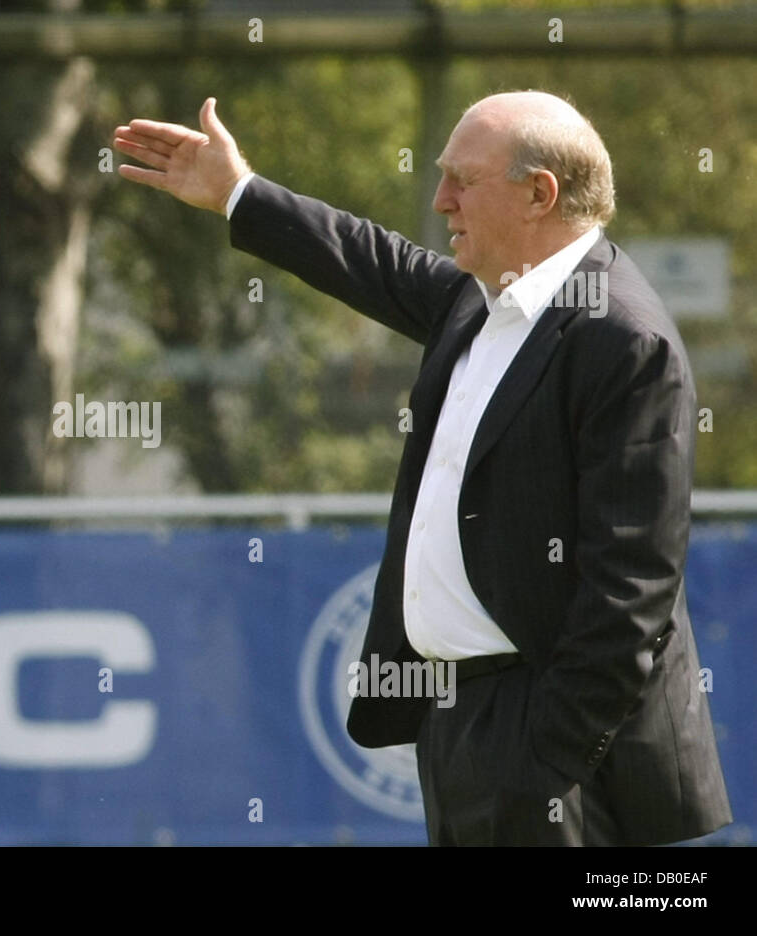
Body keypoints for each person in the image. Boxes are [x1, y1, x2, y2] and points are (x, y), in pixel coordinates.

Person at [114, 92, 731, 845]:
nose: (441, 201)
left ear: (539, 194)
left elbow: (632, 589)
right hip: (462, 728)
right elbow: (369, 258)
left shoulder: (623, 339)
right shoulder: (483, 300)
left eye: (462, 180)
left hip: (553, 755)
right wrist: (238, 191)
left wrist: (544, 758)